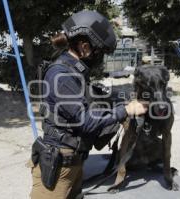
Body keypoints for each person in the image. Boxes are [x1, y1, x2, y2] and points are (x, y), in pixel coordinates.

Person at [28, 10, 148, 199]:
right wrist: (125, 110)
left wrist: (117, 102)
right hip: (58, 166)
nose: (99, 58)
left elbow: (85, 104)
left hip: (72, 162)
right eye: (99, 52)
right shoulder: (62, 75)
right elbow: (85, 122)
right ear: (84, 47)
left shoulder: (74, 72)